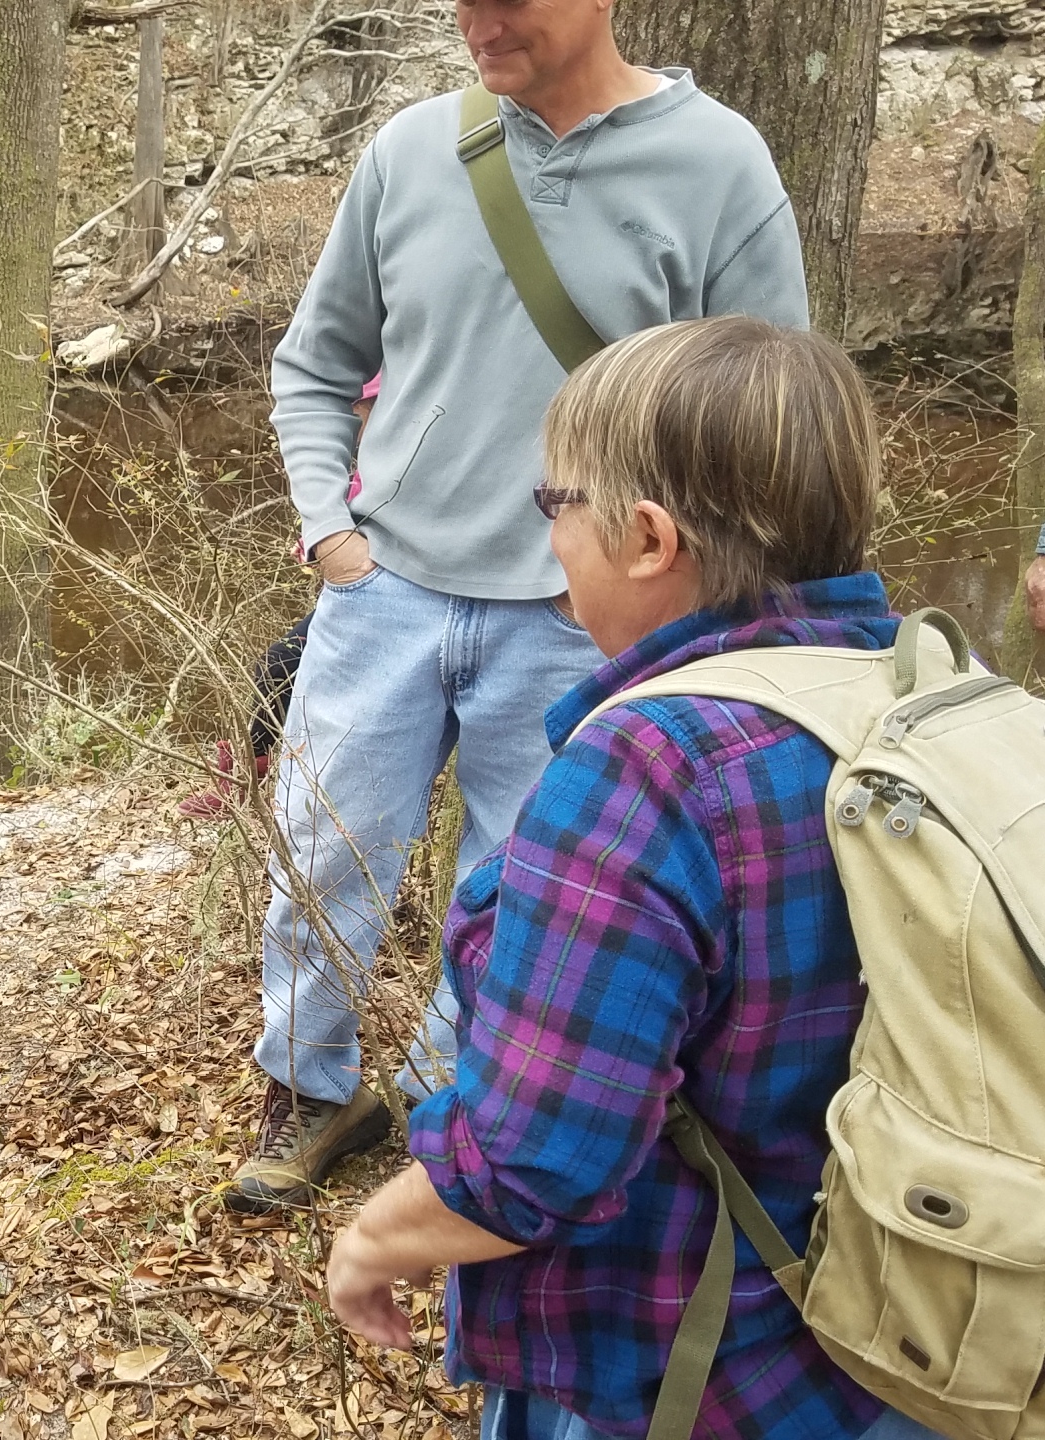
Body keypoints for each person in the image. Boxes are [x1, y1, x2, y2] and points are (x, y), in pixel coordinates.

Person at [234, 0, 812, 1211]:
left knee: (524, 886)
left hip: (579, 618)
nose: (476, 21)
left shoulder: (719, 163)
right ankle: (306, 1089)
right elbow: (315, 361)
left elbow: (762, 412)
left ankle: (455, 1111)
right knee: (318, 860)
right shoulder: (409, 149)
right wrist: (331, 533)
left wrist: (657, 594)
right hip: (383, 588)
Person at [325, 317, 943, 1440]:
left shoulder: (652, 766)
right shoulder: (936, 694)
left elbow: (533, 1158)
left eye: (552, 506)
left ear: (647, 539)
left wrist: (371, 1238)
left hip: (694, 1376)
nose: (549, 541)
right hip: (921, 1341)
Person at [181, 375, 378, 821]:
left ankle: (261, 776)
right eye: (358, 416)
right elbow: (341, 522)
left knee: (284, 669)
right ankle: (246, 775)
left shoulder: (400, 462)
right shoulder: (362, 470)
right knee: (276, 667)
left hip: (387, 598)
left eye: (365, 415)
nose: (359, 426)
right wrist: (317, 543)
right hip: (350, 596)